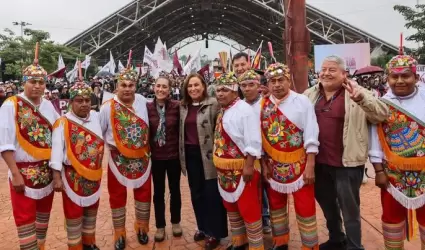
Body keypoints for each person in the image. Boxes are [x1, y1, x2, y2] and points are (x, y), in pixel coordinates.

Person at [304, 55, 389, 250]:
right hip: (319, 163)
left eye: (332, 70)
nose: (326, 73)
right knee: (328, 207)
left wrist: (361, 99)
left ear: (344, 74)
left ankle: (354, 246)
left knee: (350, 210)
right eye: (323, 69)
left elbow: (381, 114)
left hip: (348, 163)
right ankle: (336, 239)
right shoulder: (309, 94)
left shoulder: (359, 93)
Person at [0, 43, 59, 250]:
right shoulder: (11, 104)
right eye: (33, 81)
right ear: (24, 83)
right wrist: (14, 173)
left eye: (41, 82)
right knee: (25, 221)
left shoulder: (48, 105)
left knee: (42, 220)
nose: (37, 86)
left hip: (46, 173)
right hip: (22, 172)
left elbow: (58, 134)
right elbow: (5, 142)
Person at [260, 63, 320, 250]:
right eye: (272, 81)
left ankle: (309, 245)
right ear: (268, 83)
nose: (277, 85)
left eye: (281, 80)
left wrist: (310, 164)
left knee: (305, 206)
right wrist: (263, 164)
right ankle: (281, 242)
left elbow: (311, 133)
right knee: (276, 206)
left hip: (300, 164)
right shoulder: (263, 105)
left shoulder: (302, 102)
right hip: (273, 165)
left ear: (288, 80)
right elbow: (259, 137)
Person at [368, 55, 425, 249]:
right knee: (391, 220)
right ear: (387, 79)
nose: (399, 81)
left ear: (416, 77)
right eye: (394, 76)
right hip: (392, 174)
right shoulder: (382, 104)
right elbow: (375, 139)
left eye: (405, 76)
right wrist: (378, 171)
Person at [50, 66, 104, 250]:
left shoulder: (97, 118)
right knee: (74, 214)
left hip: (94, 176)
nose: (84, 104)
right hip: (72, 177)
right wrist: (57, 177)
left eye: (87, 100)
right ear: (71, 102)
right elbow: (56, 151)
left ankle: (90, 243)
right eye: (79, 101)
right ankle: (75, 247)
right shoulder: (62, 122)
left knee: (91, 212)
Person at [99, 64, 151, 250]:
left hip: (143, 159)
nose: (127, 88)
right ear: (116, 86)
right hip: (117, 160)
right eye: (124, 85)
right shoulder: (107, 108)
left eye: (130, 85)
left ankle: (142, 228)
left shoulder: (143, 102)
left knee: (144, 195)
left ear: (135, 86)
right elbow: (99, 134)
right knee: (117, 196)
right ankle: (119, 232)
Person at [214, 72, 264, 250]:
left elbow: (253, 140)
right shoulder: (224, 110)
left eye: (225, 90)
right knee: (231, 207)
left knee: (248, 208)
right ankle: (239, 241)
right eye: (218, 90)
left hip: (243, 169)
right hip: (225, 172)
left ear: (235, 92)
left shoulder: (244, 110)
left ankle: (256, 246)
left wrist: (249, 166)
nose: (220, 93)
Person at [179, 73, 228, 250]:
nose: (193, 89)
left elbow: (220, 130)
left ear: (203, 86)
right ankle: (202, 227)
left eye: (196, 85)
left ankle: (215, 232)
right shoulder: (183, 106)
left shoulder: (213, 104)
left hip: (208, 157)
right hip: (191, 156)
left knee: (212, 195)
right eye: (190, 86)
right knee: (196, 193)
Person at [147, 75, 182, 242]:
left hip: (173, 156)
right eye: (158, 86)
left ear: (169, 90)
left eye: (164, 87)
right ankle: (160, 226)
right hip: (156, 158)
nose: (160, 89)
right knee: (158, 193)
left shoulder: (177, 107)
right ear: (154, 87)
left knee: (175, 191)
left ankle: (176, 222)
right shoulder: (146, 108)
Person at [238, 69, 272, 234]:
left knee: (269, 190)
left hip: (269, 154)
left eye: (251, 84)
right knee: (253, 189)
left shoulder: (267, 103)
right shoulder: (238, 106)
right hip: (249, 156)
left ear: (259, 85)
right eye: (243, 85)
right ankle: (253, 221)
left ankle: (267, 219)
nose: (247, 88)